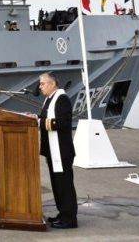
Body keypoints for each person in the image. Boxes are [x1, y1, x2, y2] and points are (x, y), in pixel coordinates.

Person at [38, 72, 78, 229]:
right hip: (52, 152)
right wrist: (35, 118)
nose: (40, 87)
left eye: (42, 83)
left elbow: (61, 123)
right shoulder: (49, 99)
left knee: (65, 186)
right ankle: (63, 215)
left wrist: (38, 122)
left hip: (61, 152)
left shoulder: (62, 99)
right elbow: (45, 119)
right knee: (57, 185)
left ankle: (69, 219)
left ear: (52, 84)